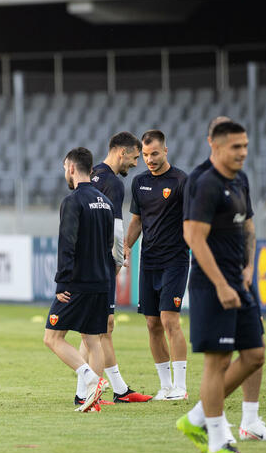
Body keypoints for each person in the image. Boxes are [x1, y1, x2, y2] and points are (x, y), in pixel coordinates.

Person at [184, 116, 266, 443]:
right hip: (214, 283)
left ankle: (202, 416)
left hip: (240, 280)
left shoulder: (240, 180)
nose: (243, 152)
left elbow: (248, 225)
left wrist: (250, 267)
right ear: (214, 143)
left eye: (246, 146)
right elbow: (193, 236)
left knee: (255, 354)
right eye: (236, 146)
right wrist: (222, 284)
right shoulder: (203, 181)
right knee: (219, 360)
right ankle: (216, 436)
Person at [81, 131, 152, 404]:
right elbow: (117, 229)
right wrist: (120, 261)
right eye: (135, 157)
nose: (136, 164)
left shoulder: (93, 175)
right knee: (102, 326)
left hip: (87, 260)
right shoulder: (113, 183)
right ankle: (110, 390)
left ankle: (94, 390)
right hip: (101, 263)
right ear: (121, 152)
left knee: (96, 327)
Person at [43, 147, 112, 413]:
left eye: (64, 169)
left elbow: (67, 244)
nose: (65, 173)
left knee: (52, 337)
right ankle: (91, 402)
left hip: (78, 284)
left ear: (71, 168)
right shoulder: (104, 202)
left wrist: (62, 283)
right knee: (93, 340)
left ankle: (91, 378)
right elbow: (109, 245)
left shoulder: (73, 201)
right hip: (101, 282)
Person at [124, 130, 189, 401]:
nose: (149, 159)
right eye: (146, 154)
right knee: (152, 324)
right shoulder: (139, 183)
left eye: (154, 154)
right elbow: (137, 221)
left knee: (169, 319)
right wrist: (126, 246)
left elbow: (191, 222)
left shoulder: (181, 181)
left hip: (174, 259)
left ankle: (181, 387)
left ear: (165, 151)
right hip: (148, 260)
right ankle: (165, 386)